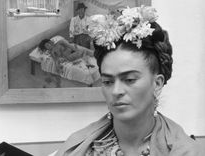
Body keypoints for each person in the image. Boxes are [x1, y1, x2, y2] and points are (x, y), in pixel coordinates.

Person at [53, 6, 204, 156]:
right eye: (107, 82)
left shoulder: (184, 150)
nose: (116, 91)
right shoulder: (78, 148)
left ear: (157, 84)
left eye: (130, 79)